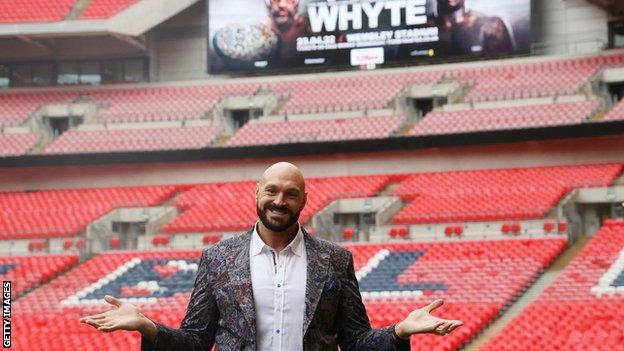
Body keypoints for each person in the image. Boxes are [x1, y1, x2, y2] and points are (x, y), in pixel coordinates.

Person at [80, 162, 463, 350]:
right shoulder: (218, 258)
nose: (280, 201)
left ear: (304, 201)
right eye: (272, 191)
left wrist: (398, 332)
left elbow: (356, 340)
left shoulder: (335, 260)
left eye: (291, 194)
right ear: (257, 193)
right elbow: (197, 341)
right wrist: (148, 326)